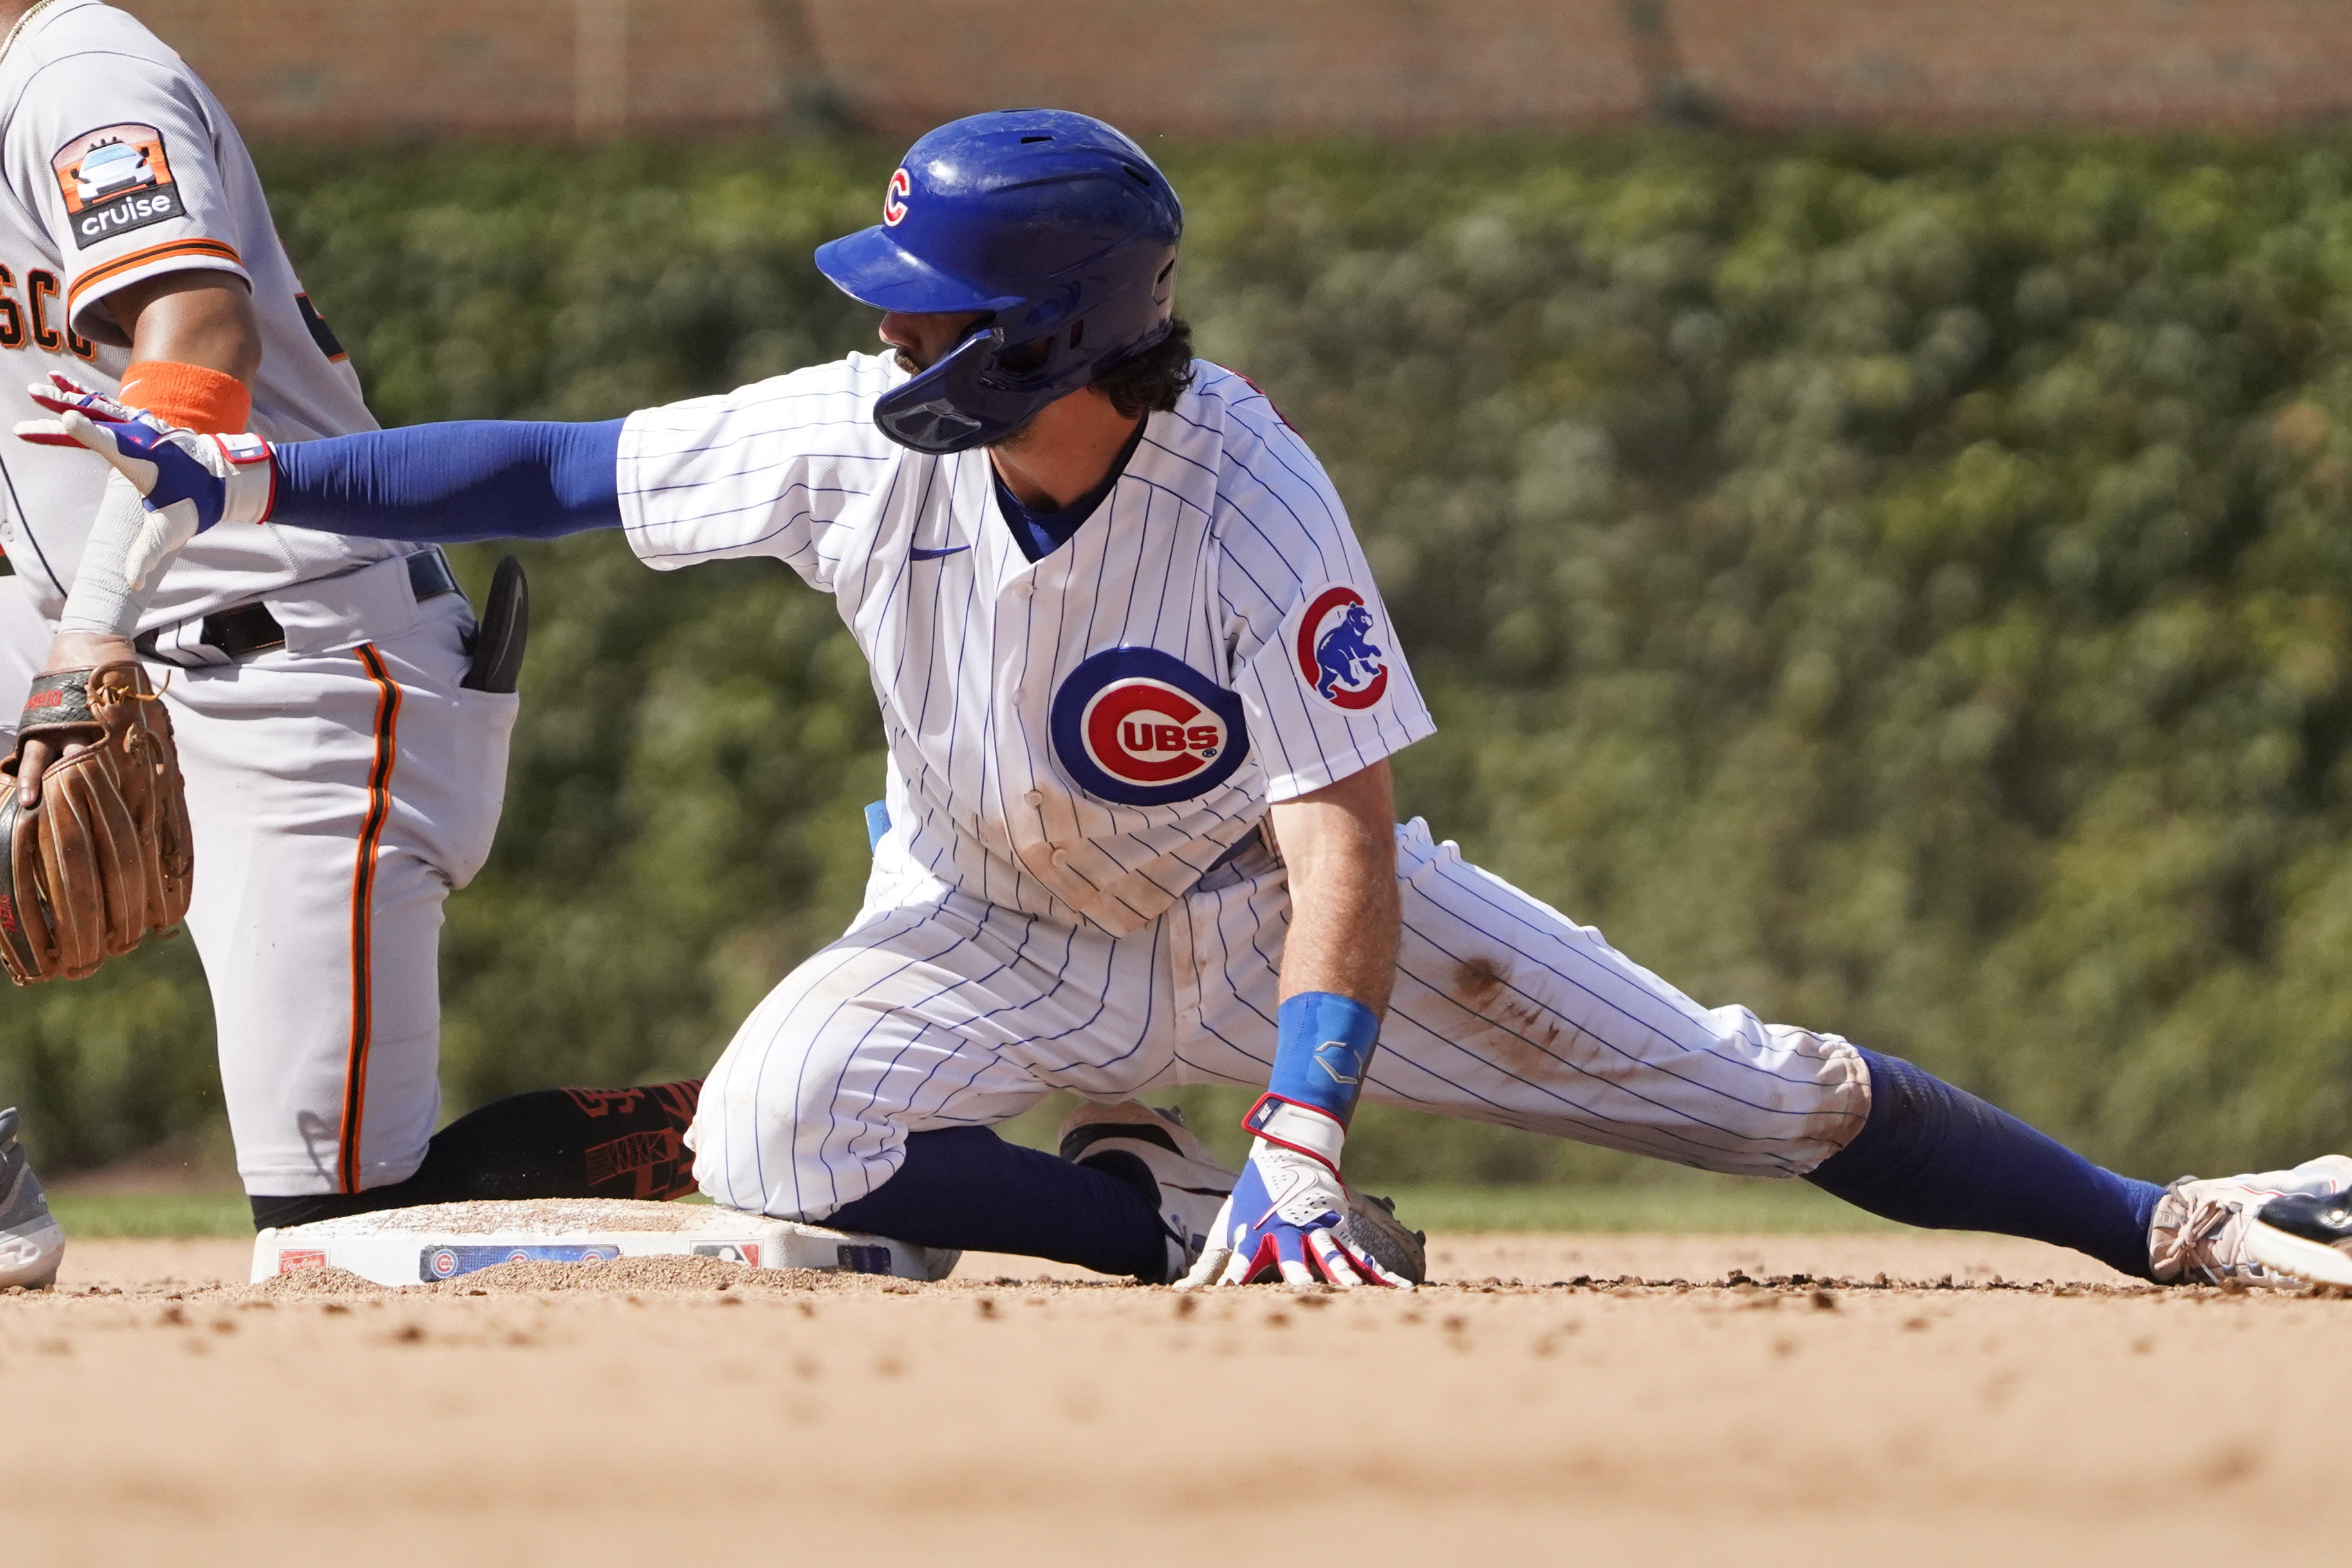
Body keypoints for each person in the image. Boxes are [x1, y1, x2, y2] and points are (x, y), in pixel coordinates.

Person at [30, 107, 2352, 1291]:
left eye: (932, 316)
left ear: (1054, 335)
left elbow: (1342, 838)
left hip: (1257, 912)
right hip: (971, 921)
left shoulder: (1247, 503)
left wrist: (1308, 1135)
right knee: (766, 1138)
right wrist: (270, 462)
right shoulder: (854, 431)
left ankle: (2164, 1219)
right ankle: (1136, 1222)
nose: (888, 341)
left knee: (1762, 1091)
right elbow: (553, 465)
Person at [0, 1, 704, 1290]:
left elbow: (200, 335)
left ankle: (780, 1123)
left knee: (338, 1233)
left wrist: (86, 633)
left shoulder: (81, 78)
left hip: (302, 668)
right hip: (94, 634)